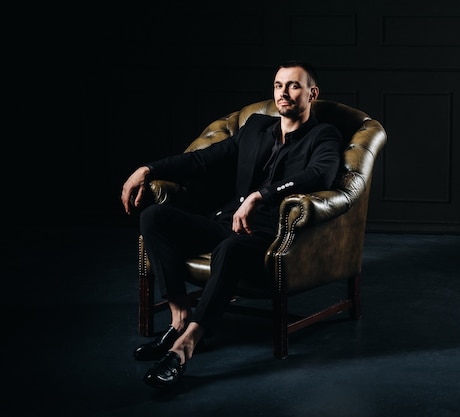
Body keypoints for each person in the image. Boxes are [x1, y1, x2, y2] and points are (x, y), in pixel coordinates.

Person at [120, 61, 342, 389]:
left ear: (312, 93)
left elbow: (319, 175)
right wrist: (147, 169)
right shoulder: (256, 128)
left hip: (273, 235)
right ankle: (179, 317)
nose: (284, 93)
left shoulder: (324, 135)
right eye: (279, 85)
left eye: (294, 86)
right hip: (227, 222)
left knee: (230, 248)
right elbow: (200, 160)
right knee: (153, 216)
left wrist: (260, 196)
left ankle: (184, 348)